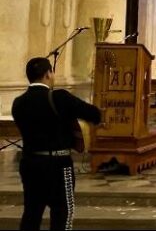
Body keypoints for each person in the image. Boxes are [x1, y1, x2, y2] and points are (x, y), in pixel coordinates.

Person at [12, 57, 101, 231]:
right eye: (52, 72)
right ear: (48, 74)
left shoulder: (18, 103)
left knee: (31, 214)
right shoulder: (60, 97)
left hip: (30, 164)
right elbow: (94, 114)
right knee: (63, 213)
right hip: (59, 165)